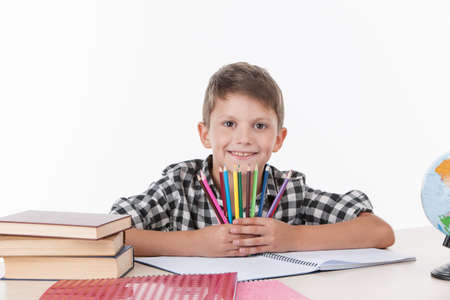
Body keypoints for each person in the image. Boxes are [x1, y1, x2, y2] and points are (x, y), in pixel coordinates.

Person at [111, 62, 395, 257]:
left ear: (278, 139)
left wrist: (292, 238)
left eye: (259, 126)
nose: (244, 138)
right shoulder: (179, 185)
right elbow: (110, 233)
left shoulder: (288, 191)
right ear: (205, 134)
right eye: (229, 124)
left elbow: (379, 231)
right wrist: (194, 243)